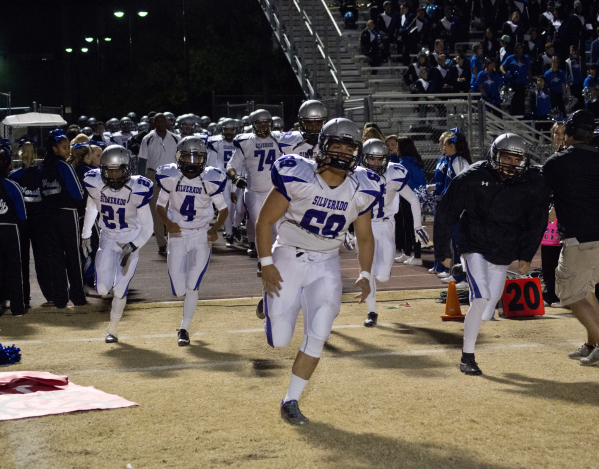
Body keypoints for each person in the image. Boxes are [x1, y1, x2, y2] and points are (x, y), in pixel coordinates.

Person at [256, 118, 383, 425]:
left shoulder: (363, 186)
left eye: (349, 146)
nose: (342, 152)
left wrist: (365, 274)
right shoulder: (298, 173)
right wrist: (266, 264)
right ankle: (270, 304)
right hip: (288, 255)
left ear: (357, 151)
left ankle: (291, 400)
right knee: (280, 341)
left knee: (319, 331)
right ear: (323, 146)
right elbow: (263, 221)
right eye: (336, 145)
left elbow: (365, 236)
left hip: (326, 262)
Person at [435, 133, 551, 375]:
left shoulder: (531, 182)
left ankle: (474, 313)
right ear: (494, 155)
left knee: (489, 309)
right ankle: (467, 356)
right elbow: (447, 211)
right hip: (474, 242)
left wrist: (526, 254)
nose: (511, 164)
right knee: (481, 297)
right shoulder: (473, 176)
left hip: (503, 248)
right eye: (506, 157)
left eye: (516, 159)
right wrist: (442, 250)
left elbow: (537, 221)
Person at [155, 137, 228, 346]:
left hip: (201, 235)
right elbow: (160, 205)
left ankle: (184, 328)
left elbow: (223, 209)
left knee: (192, 286)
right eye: (188, 156)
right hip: (178, 235)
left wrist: (215, 228)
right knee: (178, 289)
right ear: (179, 156)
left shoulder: (209, 179)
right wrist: (168, 223)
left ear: (204, 159)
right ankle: (184, 320)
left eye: (197, 157)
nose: (193, 161)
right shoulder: (171, 177)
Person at [542, 110, 599, 365]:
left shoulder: (557, 163)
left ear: (569, 134)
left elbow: (541, 199)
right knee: (586, 291)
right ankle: (592, 344)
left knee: (571, 295)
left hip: (581, 239)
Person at [82, 145, 153, 342]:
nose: (113, 176)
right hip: (107, 237)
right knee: (103, 290)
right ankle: (111, 317)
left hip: (129, 238)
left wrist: (133, 245)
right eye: (109, 171)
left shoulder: (137, 188)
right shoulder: (95, 183)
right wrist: (85, 235)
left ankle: (112, 328)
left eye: (117, 171)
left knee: (121, 289)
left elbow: (148, 227)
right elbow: (91, 210)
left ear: (127, 169)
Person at [359, 139, 428, 327]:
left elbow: (413, 199)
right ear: (364, 159)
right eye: (371, 159)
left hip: (385, 226)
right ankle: (371, 312)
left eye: (379, 159)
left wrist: (417, 226)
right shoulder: (356, 175)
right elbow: (347, 205)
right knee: (368, 271)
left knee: (382, 276)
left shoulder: (393, 173)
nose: (375, 163)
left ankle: (375, 297)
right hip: (364, 226)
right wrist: (347, 231)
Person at [226, 109, 283, 271]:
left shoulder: (279, 140)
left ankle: (275, 260)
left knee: (277, 229)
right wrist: (235, 177)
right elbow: (231, 165)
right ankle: (262, 261)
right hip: (254, 192)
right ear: (253, 125)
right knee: (263, 227)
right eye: (260, 123)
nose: (264, 127)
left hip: (276, 192)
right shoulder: (247, 142)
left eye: (266, 124)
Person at [38, 129, 87, 309]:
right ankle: (78, 297)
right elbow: (78, 192)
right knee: (73, 255)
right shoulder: (65, 166)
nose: (67, 150)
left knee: (56, 258)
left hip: (48, 216)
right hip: (67, 214)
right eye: (64, 147)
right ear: (55, 149)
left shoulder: (42, 168)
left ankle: (60, 299)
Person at [9, 139, 50, 307]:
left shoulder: (14, 176)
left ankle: (24, 297)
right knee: (42, 259)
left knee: (22, 260)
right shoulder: (41, 173)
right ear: (35, 153)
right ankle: (50, 294)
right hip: (40, 222)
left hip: (22, 224)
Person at [138, 113, 180, 256]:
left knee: (174, 208)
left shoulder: (176, 138)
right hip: (153, 175)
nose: (161, 123)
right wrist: (141, 180)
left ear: (167, 122)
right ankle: (161, 244)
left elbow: (180, 159)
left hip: (172, 176)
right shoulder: (147, 139)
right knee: (157, 210)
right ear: (153, 122)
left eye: (164, 121)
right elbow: (142, 161)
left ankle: (174, 240)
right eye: (158, 121)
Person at [0, 142, 26, 317]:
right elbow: (22, 215)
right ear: (9, 164)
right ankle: (17, 308)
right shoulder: (12, 185)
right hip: (10, 230)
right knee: (14, 269)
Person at [396, 136, 427, 266]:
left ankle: (417, 256)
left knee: (412, 227)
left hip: (408, 199)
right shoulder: (414, 161)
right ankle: (409, 254)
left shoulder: (404, 163)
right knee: (410, 227)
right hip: (413, 198)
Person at [207, 118, 237, 246]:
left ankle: (235, 227)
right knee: (228, 208)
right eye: (226, 129)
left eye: (231, 129)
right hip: (223, 180)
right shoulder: (216, 143)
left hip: (237, 179)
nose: (229, 132)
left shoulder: (240, 142)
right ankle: (229, 234)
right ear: (222, 130)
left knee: (240, 208)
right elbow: (211, 164)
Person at [500, 42, 532, 115]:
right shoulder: (510, 58)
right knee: (514, 100)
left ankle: (521, 115)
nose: (519, 50)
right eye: (518, 48)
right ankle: (513, 115)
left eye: (521, 48)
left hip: (522, 83)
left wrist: (530, 81)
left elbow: (529, 71)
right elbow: (501, 66)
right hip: (513, 83)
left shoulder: (526, 59)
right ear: (515, 49)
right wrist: (505, 73)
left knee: (521, 100)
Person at [566, 45, 584, 112]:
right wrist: (567, 83)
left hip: (580, 83)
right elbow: (567, 73)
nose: (571, 52)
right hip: (573, 84)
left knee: (581, 100)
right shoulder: (568, 61)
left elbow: (583, 71)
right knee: (574, 100)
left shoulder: (580, 59)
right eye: (570, 50)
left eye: (573, 50)